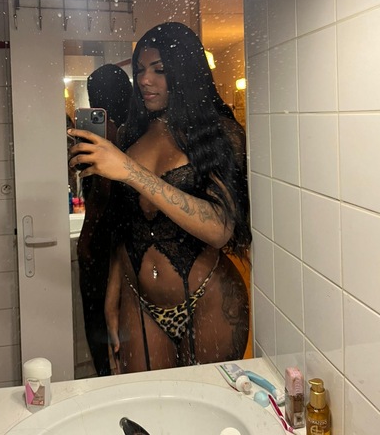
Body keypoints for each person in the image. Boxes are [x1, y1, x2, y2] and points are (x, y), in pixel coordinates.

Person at [69, 22, 251, 374]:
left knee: (205, 403)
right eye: (139, 70)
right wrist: (111, 297)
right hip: (139, 302)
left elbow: (220, 230)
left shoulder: (217, 134)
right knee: (149, 402)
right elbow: (124, 228)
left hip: (208, 299)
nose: (144, 80)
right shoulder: (129, 135)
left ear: (184, 72)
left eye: (159, 70)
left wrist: (128, 170)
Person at [77, 63, 132, 376]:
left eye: (97, 94)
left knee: (104, 330)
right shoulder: (135, 131)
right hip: (120, 244)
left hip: (109, 243)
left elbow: (102, 195)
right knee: (115, 333)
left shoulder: (124, 136)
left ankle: (110, 379)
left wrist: (86, 238)